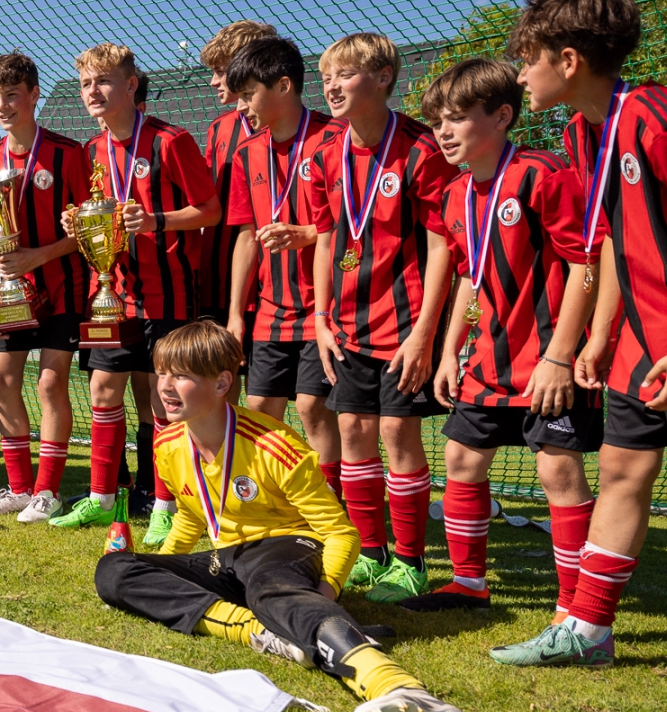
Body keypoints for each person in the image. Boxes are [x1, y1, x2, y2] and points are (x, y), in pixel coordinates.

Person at [492, 0, 667, 712]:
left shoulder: (663, 120)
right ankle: (587, 631)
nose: (520, 73)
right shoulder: (583, 132)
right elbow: (611, 237)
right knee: (619, 472)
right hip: (637, 347)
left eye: (528, 58)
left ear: (568, 60)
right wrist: (603, 333)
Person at [94, 321, 469, 712]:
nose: (164, 386)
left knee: (271, 588)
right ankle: (264, 630)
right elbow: (192, 515)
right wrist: (164, 565)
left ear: (221, 383)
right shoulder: (167, 445)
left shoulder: (274, 444)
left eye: (180, 375)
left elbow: (340, 533)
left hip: (287, 548)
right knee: (115, 570)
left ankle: (398, 687)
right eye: (162, 373)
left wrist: (326, 590)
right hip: (227, 561)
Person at [417, 58, 599, 614]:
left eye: (456, 118)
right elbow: (469, 277)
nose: (443, 132)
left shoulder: (543, 174)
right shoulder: (454, 194)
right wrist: (449, 352)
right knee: (461, 460)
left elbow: (586, 266)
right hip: (488, 361)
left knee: (557, 469)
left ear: (501, 116)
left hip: (549, 359)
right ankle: (468, 584)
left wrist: (560, 355)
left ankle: (575, 607)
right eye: (437, 121)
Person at [309, 32, 457, 603]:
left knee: (397, 432)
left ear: (383, 78)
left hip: (407, 323)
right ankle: (371, 554)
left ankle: (411, 562)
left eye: (345, 75)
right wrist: (321, 317)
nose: (332, 86)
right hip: (346, 323)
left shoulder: (422, 149)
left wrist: (426, 334)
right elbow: (326, 237)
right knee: (352, 430)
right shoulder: (325, 152)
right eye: (327, 77)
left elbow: (443, 245)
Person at [53, 42, 221, 532]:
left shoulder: (171, 141)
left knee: (164, 396)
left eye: (103, 81)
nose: (93, 91)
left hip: (169, 294)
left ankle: (166, 506)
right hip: (111, 296)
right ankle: (103, 497)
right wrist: (76, 223)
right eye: (86, 83)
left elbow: (210, 210)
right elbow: (95, 213)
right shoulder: (90, 150)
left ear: (130, 85)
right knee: (103, 389)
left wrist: (155, 221)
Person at [222, 37, 345, 504]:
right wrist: (236, 315)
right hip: (271, 310)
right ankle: (268, 505)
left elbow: (358, 223)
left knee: (313, 407)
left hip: (324, 307)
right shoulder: (246, 153)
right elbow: (246, 237)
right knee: (258, 409)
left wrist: (308, 233)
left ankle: (329, 507)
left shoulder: (336, 139)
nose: (241, 105)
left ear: (284, 86)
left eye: (248, 93)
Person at [0, 52, 89, 523]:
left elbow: (89, 230)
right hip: (7, 292)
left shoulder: (67, 153)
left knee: (50, 381)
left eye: (11, 95)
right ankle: (19, 487)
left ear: (35, 95)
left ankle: (48, 491)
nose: (2, 105)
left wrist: (38, 257)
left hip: (61, 286)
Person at [198, 20, 276, 327]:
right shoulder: (219, 129)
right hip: (218, 281)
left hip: (276, 286)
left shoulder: (292, 128)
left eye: (220, 71)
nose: (213, 82)